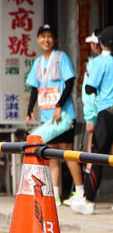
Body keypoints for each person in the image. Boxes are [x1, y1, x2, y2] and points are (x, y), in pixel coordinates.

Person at [24, 24, 82, 207]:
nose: (46, 40)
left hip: (63, 116)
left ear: (55, 39)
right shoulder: (38, 62)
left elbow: (70, 82)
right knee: (51, 155)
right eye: (42, 36)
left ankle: (80, 192)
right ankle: (54, 194)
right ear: (38, 39)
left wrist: (59, 105)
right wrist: (29, 109)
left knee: (68, 153)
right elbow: (34, 88)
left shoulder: (61, 57)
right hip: (47, 118)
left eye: (49, 36)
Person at [79, 26, 113, 215]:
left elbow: (89, 88)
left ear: (102, 43)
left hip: (106, 112)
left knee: (97, 156)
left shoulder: (100, 62)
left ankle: (89, 201)